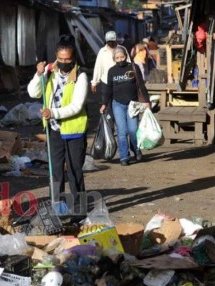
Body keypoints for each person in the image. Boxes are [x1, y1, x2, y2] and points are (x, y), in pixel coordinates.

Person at [28, 35, 89, 219]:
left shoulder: (81, 76)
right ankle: (59, 210)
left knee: (74, 171)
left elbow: (77, 106)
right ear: (56, 55)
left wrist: (53, 113)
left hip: (73, 132)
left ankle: (80, 210)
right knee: (55, 172)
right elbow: (33, 92)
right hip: (54, 130)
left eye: (67, 59)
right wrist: (38, 74)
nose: (63, 62)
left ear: (73, 58)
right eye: (60, 59)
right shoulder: (50, 72)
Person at [100, 46, 150, 166]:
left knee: (133, 130)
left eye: (122, 57)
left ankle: (136, 149)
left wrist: (147, 101)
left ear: (126, 56)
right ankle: (124, 157)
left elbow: (141, 85)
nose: (120, 59)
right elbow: (108, 89)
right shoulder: (112, 71)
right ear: (114, 59)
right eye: (117, 58)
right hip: (117, 104)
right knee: (122, 132)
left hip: (133, 104)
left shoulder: (133, 67)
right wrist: (104, 103)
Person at [91, 31, 130, 96]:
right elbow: (98, 67)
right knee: (107, 104)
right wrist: (94, 82)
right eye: (109, 41)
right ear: (106, 41)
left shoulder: (122, 49)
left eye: (112, 41)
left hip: (121, 81)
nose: (111, 43)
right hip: (106, 82)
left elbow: (128, 64)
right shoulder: (102, 51)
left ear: (116, 40)